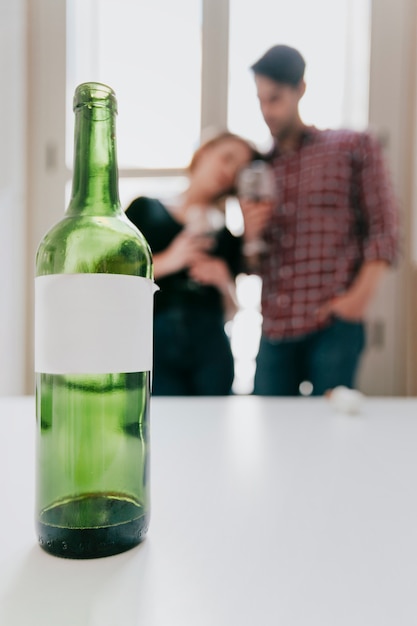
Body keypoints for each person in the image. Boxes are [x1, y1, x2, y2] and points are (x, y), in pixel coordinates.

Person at [240, 44, 399, 396]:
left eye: (276, 98)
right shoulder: (259, 168)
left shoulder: (351, 146)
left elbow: (385, 229)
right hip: (275, 328)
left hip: (333, 321)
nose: (267, 110)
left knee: (333, 430)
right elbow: (252, 263)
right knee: (269, 432)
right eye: (260, 100)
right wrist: (250, 236)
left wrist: (357, 300)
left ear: (300, 89)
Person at [125, 131, 256, 396]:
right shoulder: (144, 210)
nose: (229, 171)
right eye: (227, 158)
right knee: (164, 426)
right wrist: (169, 260)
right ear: (204, 152)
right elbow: (115, 282)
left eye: (238, 170)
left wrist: (223, 282)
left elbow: (232, 313)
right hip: (154, 344)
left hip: (211, 347)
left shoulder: (226, 237)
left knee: (214, 427)